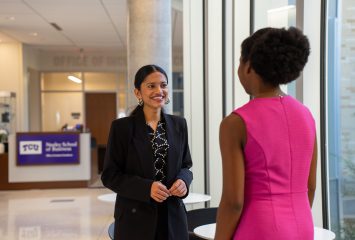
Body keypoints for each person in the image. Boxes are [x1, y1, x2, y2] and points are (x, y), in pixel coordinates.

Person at [215, 27, 317, 240]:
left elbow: (233, 202)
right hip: (303, 225)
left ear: (248, 66)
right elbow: (309, 186)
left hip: (259, 227)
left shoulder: (235, 123)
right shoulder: (306, 115)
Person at [101, 64, 193, 240]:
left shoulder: (179, 124)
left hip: (172, 217)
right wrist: (146, 188)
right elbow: (110, 175)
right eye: (151, 86)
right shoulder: (122, 128)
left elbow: (186, 165)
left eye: (163, 85)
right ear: (138, 93)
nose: (159, 90)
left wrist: (184, 181)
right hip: (135, 218)